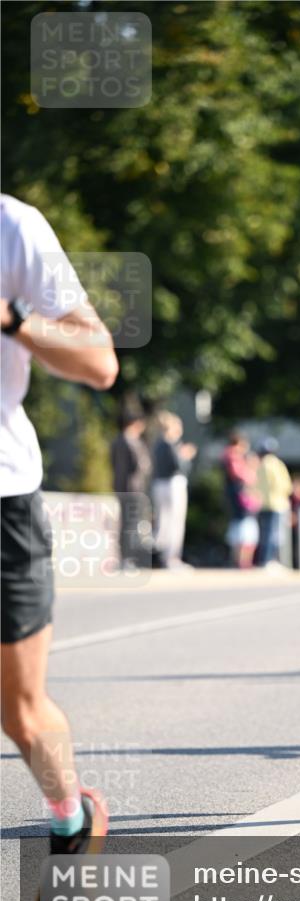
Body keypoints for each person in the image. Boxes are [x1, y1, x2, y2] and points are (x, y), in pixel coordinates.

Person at [1, 193, 118, 863]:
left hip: (4, 497)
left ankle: (70, 812)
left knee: (19, 711)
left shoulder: (13, 228)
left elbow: (100, 362)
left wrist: (13, 320)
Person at [152, 411, 197, 569]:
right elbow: (179, 466)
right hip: (172, 484)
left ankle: (162, 556)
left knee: (163, 521)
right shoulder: (170, 444)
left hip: (159, 484)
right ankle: (171, 558)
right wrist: (185, 456)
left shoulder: (158, 443)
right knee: (174, 522)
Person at [110, 408, 152, 570]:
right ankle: (127, 558)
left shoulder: (117, 441)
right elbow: (141, 465)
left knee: (127, 523)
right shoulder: (132, 442)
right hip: (132, 488)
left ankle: (125, 558)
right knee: (130, 524)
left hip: (122, 487)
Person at [221, 431, 260, 569]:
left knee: (241, 525)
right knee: (244, 526)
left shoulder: (229, 455)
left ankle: (240, 560)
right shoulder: (233, 456)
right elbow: (240, 475)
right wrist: (251, 469)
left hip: (236, 494)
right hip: (239, 495)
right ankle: (243, 561)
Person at [255, 437, 292, 568]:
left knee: (264, 534)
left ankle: (263, 560)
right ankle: (269, 561)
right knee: (274, 534)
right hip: (277, 503)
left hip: (262, 504)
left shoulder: (259, 464)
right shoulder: (276, 464)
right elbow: (285, 485)